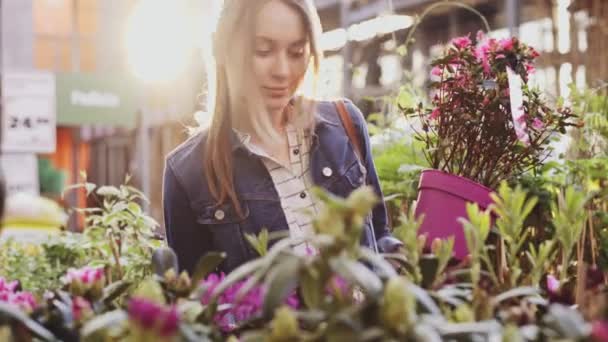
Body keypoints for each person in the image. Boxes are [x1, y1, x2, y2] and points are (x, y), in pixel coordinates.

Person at [163, 0, 402, 274]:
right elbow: (196, 301)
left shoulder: (345, 123)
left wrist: (405, 258)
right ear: (223, 49)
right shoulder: (187, 173)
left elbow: (379, 236)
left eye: (296, 52)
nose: (282, 71)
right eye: (263, 51)